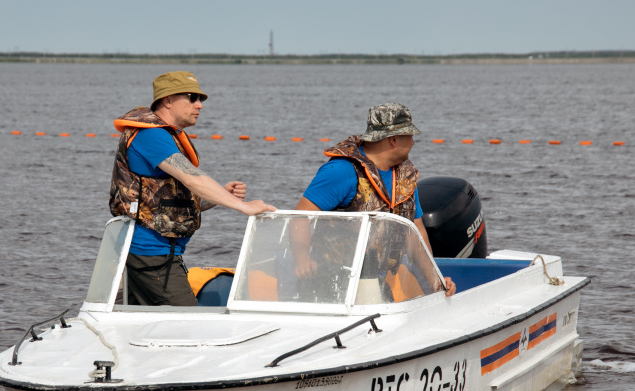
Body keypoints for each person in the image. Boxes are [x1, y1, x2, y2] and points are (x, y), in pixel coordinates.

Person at [109, 71, 276, 306]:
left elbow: (173, 202)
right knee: (188, 321)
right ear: (167, 100)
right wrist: (243, 206)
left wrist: (219, 197)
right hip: (150, 255)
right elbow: (192, 177)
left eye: (201, 99)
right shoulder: (151, 135)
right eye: (192, 97)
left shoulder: (165, 135)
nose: (200, 105)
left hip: (157, 254)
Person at [292, 103, 456, 297]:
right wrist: (302, 259)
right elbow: (299, 217)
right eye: (410, 136)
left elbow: (415, 233)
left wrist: (435, 280)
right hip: (329, 282)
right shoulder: (341, 171)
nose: (412, 142)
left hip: (374, 281)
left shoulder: (405, 178)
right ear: (394, 139)